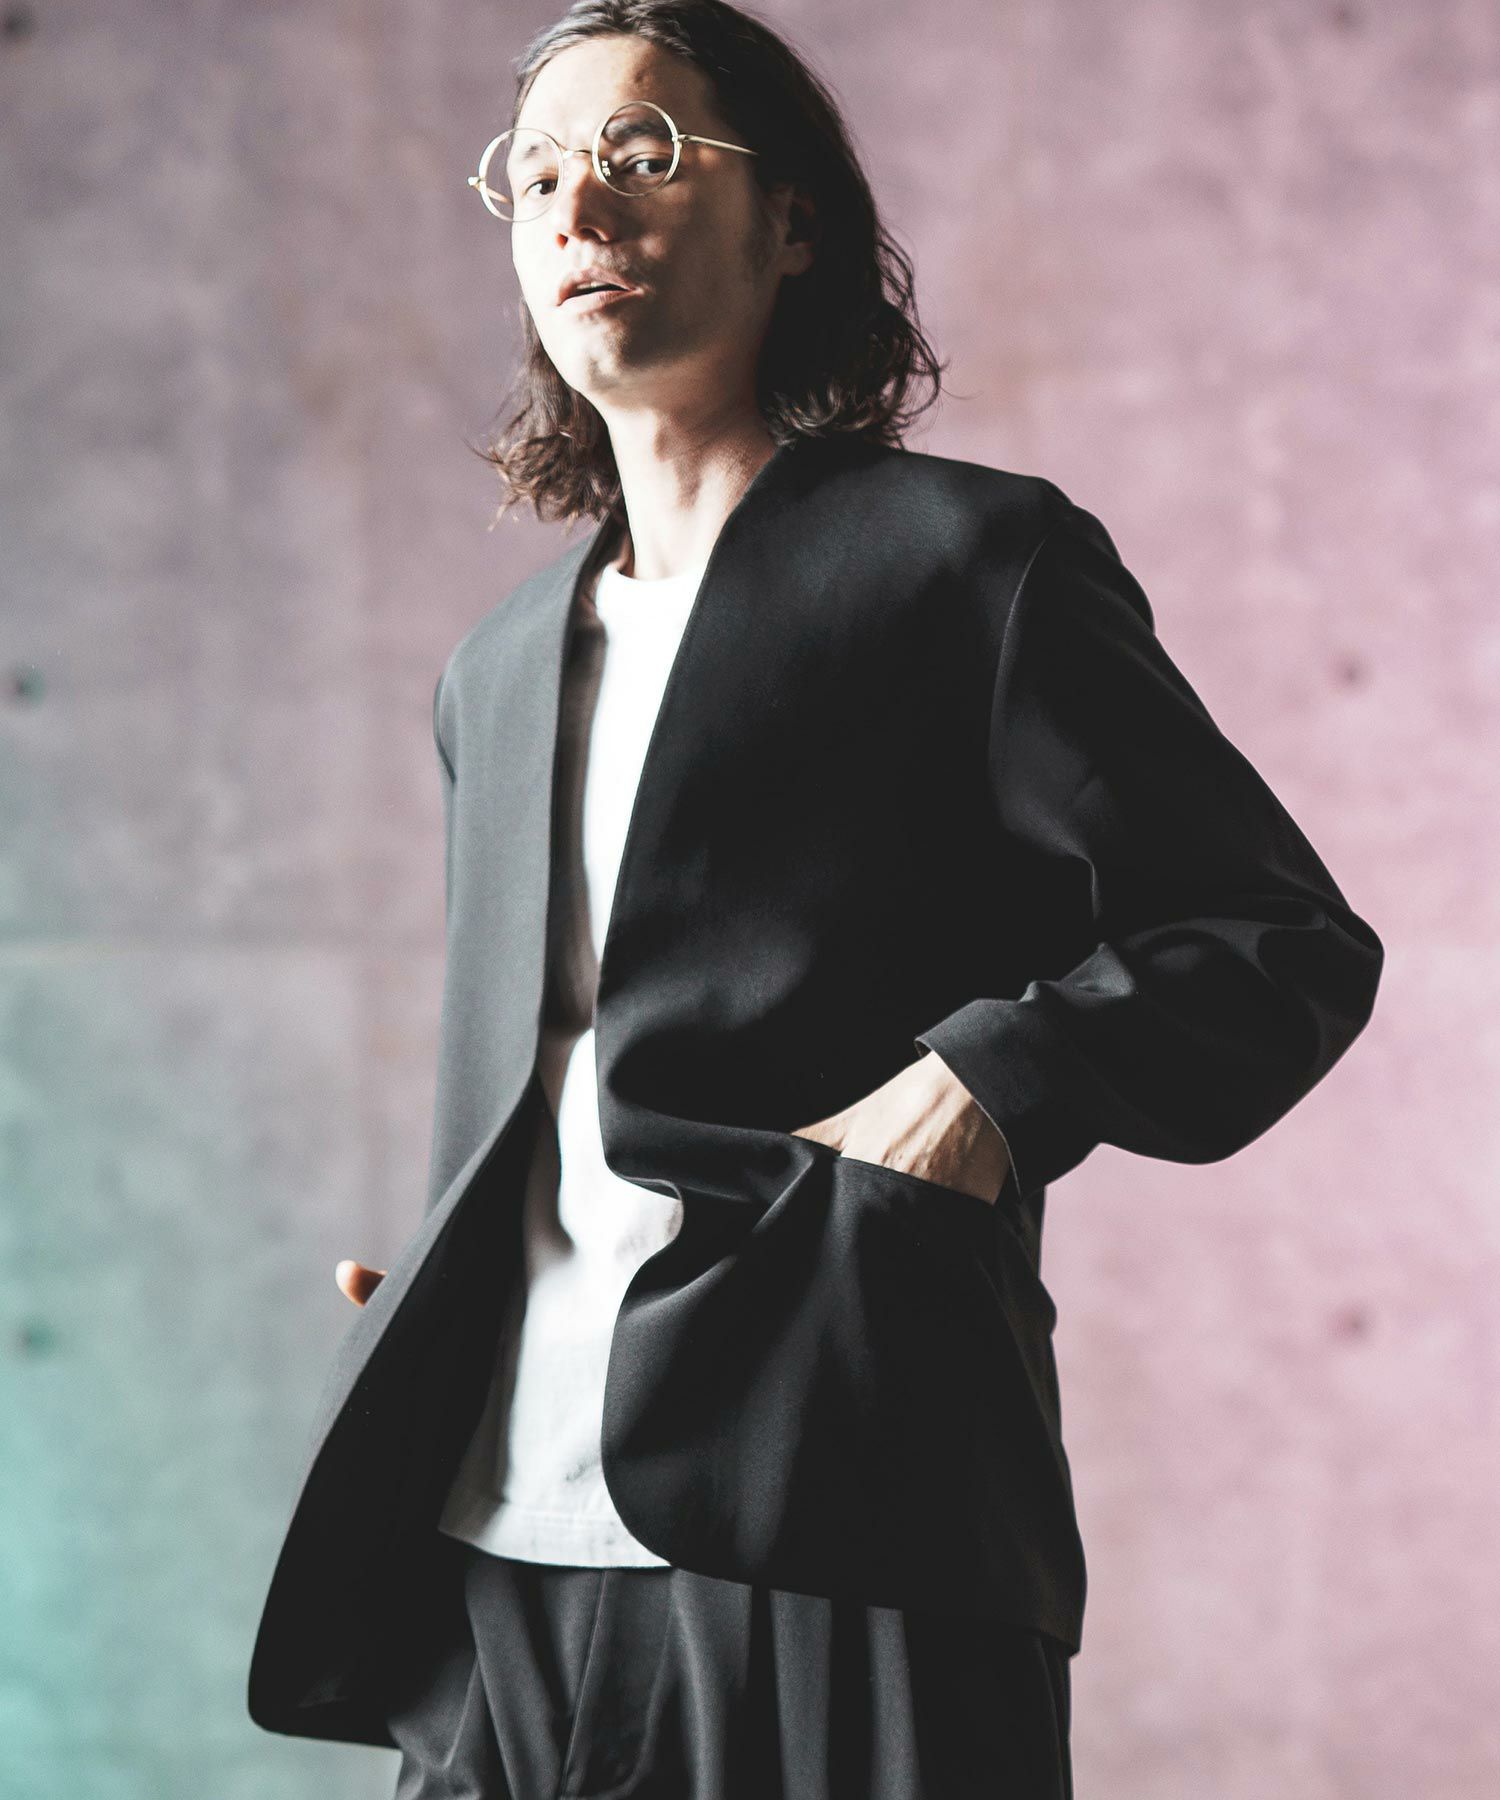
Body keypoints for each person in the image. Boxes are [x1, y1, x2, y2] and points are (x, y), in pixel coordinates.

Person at [246, 3, 1385, 1794]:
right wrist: (461, 1262)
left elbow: (1274, 943)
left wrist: (985, 1085)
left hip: (844, 1500)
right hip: (494, 1532)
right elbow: (566, 1063)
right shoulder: (498, 667)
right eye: (535, 176)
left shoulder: (967, 562)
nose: (577, 208)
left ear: (790, 219)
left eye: (640, 154)